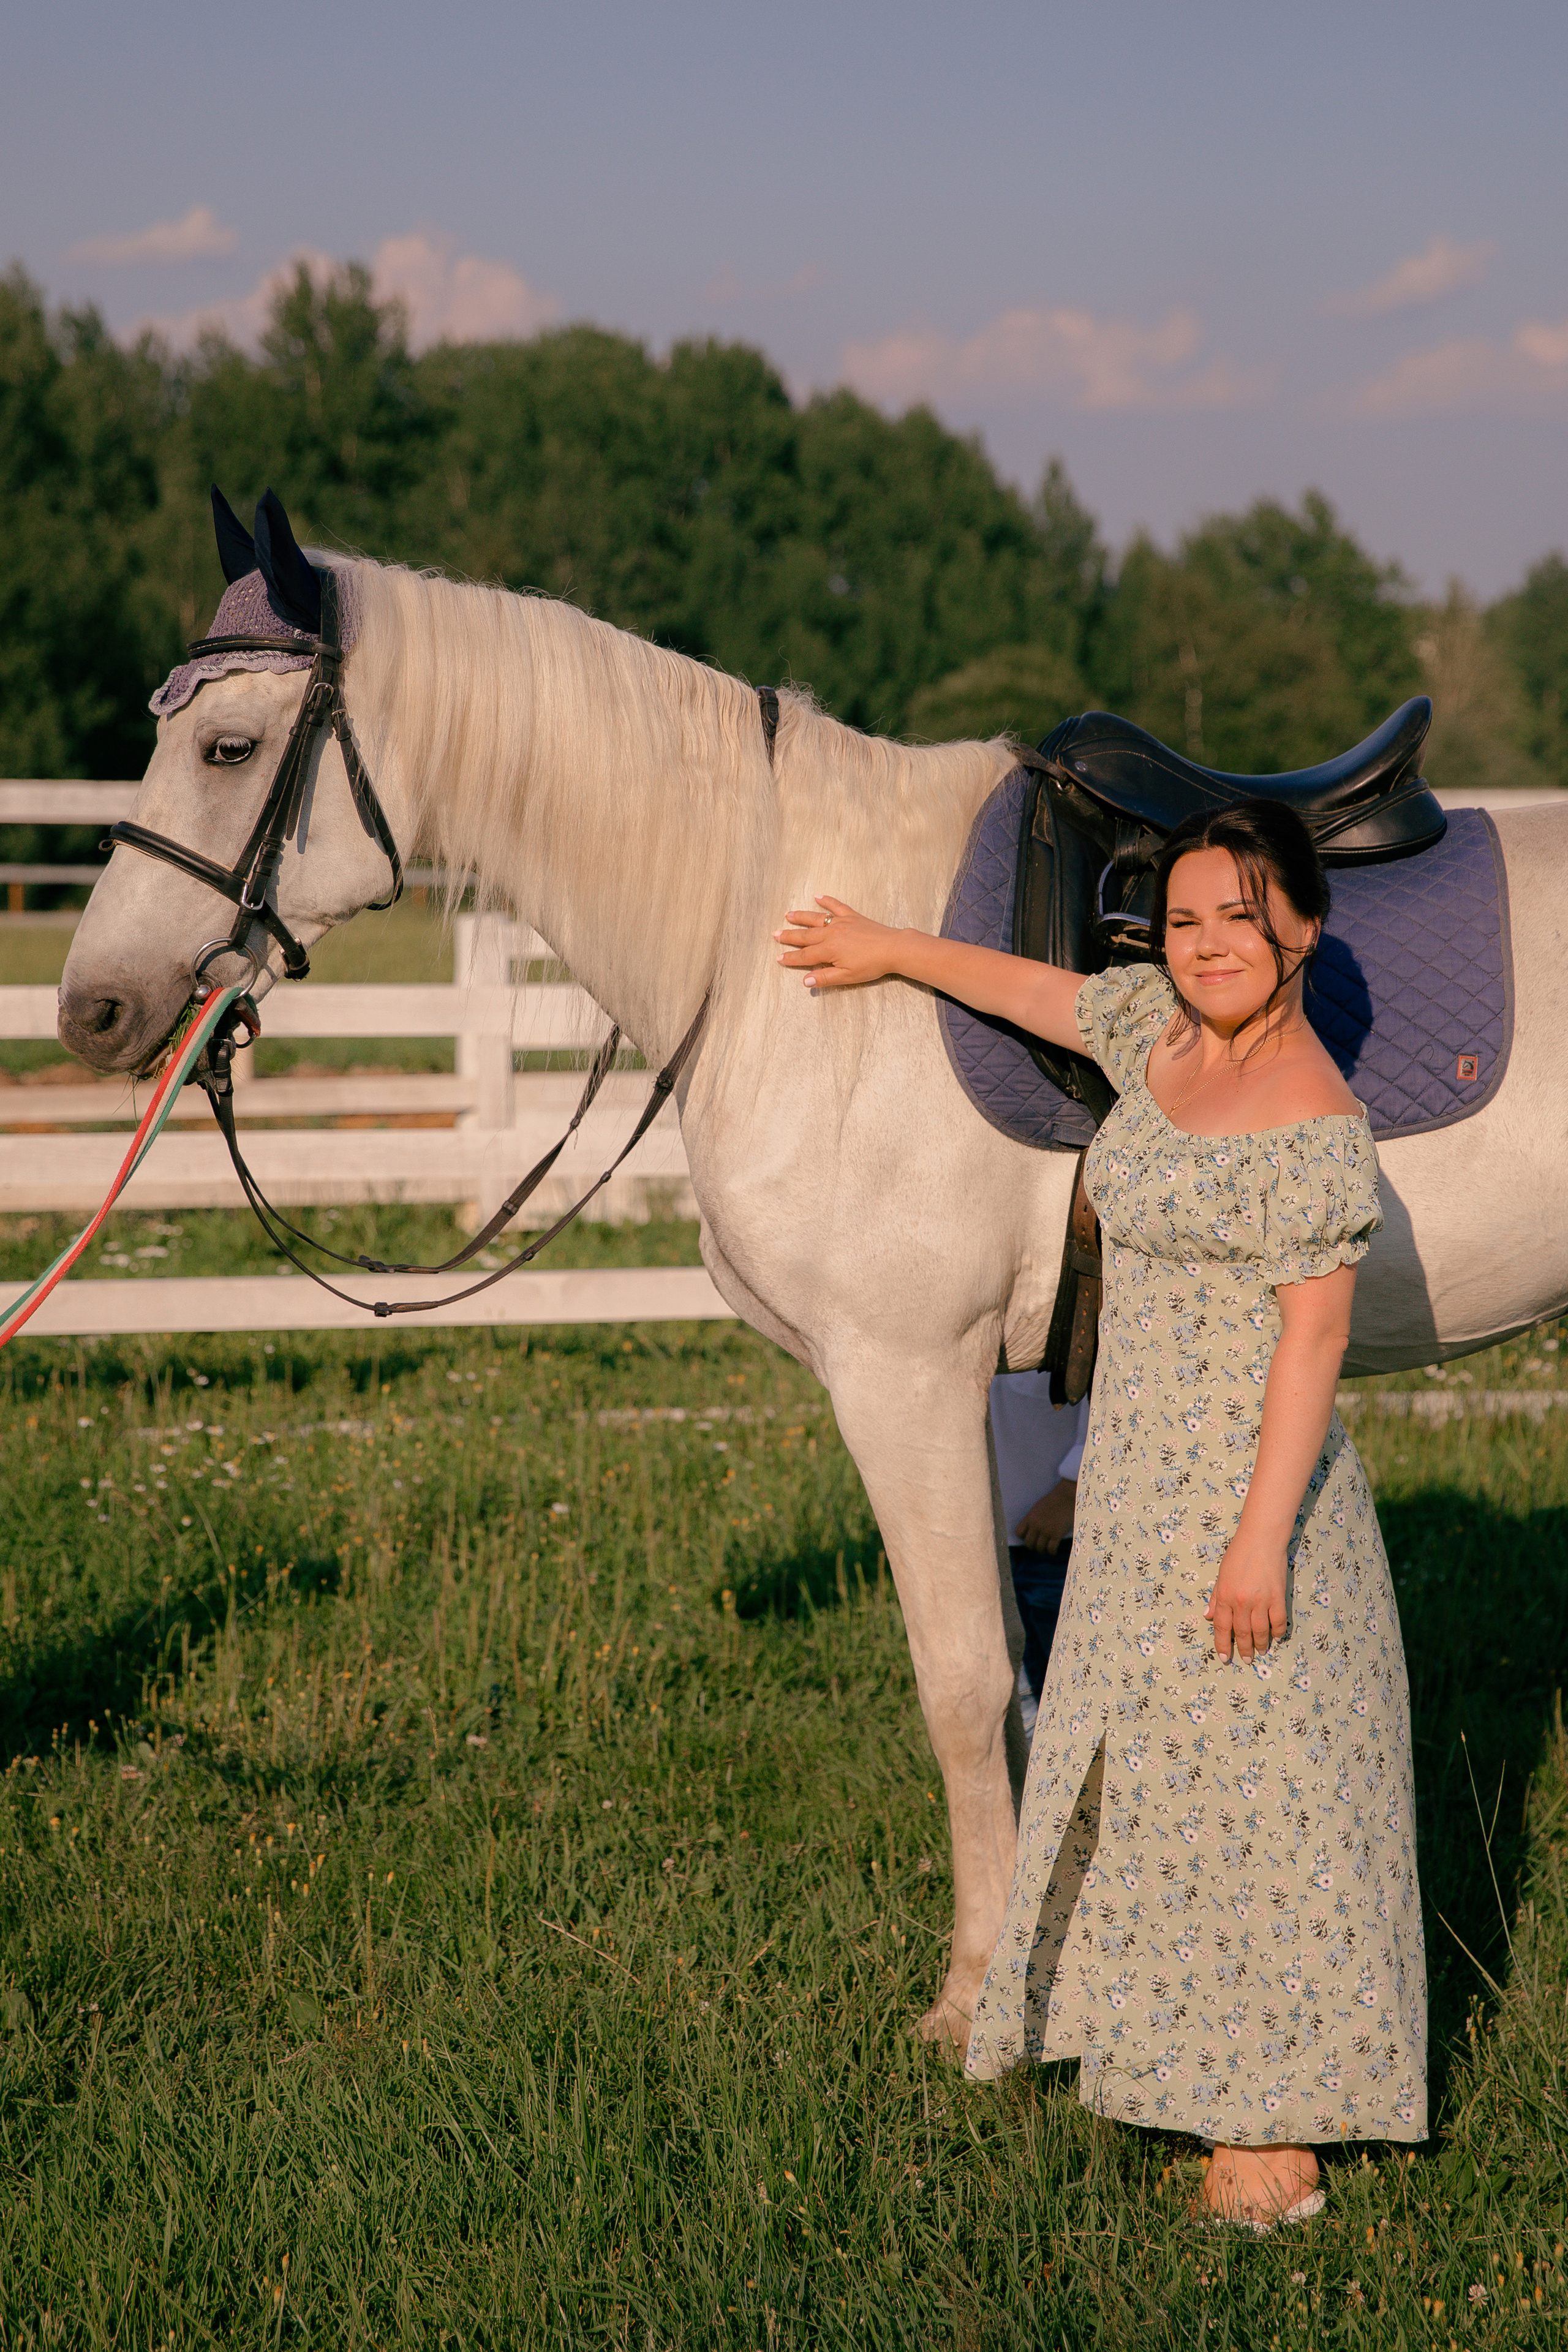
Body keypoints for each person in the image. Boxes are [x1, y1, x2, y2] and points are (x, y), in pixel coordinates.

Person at [775, 800, 1425, 2230]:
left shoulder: (1311, 1118)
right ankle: (1175, 2047)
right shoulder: (1159, 1037)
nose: (1205, 944)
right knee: (1169, 1786)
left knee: (1268, 1790)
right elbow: (1041, 994)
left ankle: (1277, 2120)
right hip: (1134, 1487)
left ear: (1300, 928)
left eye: (1236, 918)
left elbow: (1311, 1343)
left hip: (1248, 1489)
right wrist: (887, 947)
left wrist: (1257, 1539)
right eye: (1182, 920)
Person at [989, 1374, 1087, 1738]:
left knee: (1075, 1690)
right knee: (1017, 1701)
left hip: (1064, 1539)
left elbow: (1111, 1391)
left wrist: (1072, 1489)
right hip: (988, 1545)